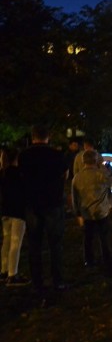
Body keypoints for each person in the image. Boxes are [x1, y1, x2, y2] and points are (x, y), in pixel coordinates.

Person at [18, 125, 69, 296]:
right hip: (53, 203)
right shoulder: (57, 155)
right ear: (48, 137)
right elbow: (65, 175)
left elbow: (21, 177)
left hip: (32, 203)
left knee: (34, 245)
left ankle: (37, 282)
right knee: (56, 245)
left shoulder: (24, 155)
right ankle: (58, 280)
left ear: (33, 137)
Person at [72, 150, 112, 276]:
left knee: (88, 239)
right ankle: (108, 262)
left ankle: (89, 262)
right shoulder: (101, 175)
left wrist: (78, 213)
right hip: (102, 211)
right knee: (104, 238)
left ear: (83, 161)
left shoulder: (77, 177)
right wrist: (106, 169)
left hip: (86, 212)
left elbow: (75, 197)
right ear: (96, 160)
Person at [1, 147, 30, 286]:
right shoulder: (20, 174)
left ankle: (4, 270)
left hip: (5, 211)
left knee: (6, 241)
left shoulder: (3, 173)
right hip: (17, 211)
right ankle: (13, 274)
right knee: (15, 243)